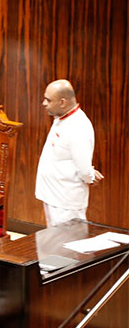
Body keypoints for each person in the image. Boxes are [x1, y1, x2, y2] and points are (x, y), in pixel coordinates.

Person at [35, 79, 104, 227]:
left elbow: (84, 169)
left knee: (67, 245)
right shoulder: (61, 117)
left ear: (62, 102)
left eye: (48, 100)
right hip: (52, 195)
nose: (44, 103)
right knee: (51, 245)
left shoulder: (79, 127)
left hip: (65, 201)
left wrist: (91, 175)